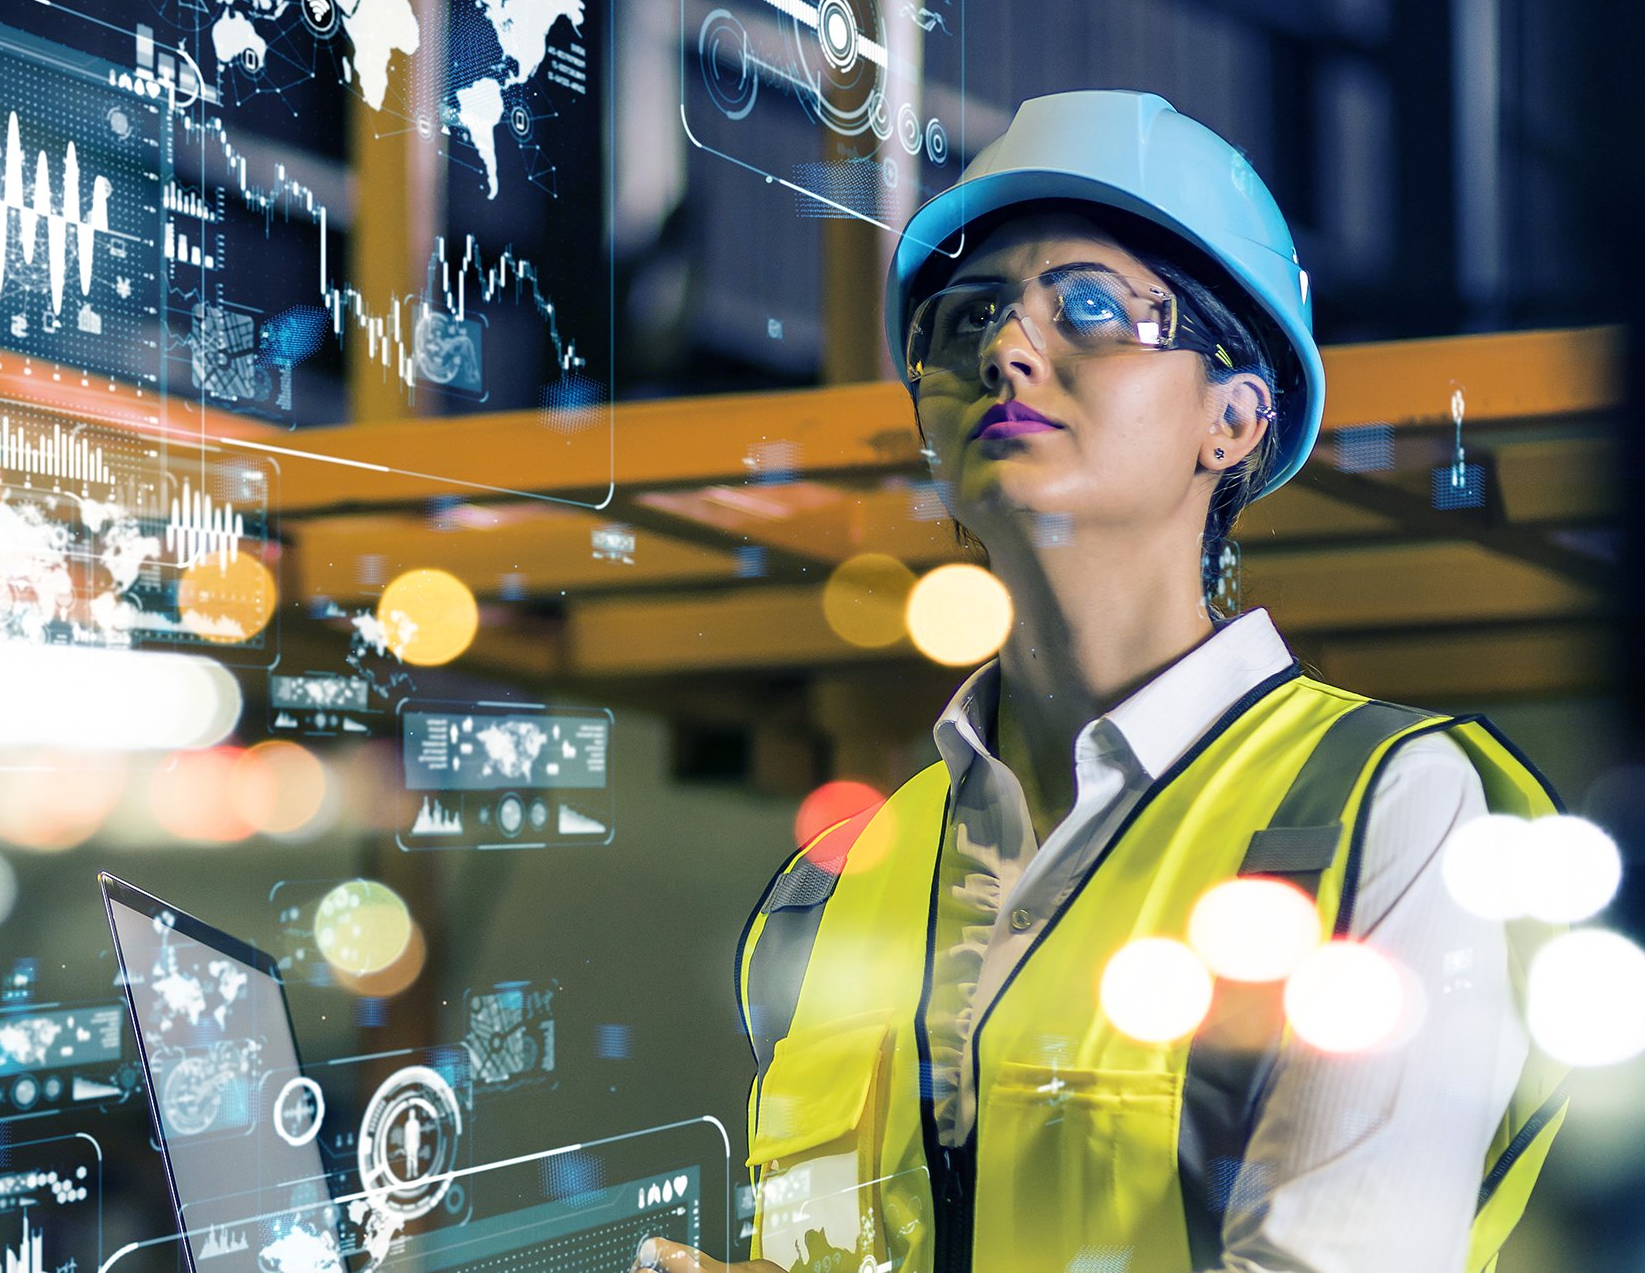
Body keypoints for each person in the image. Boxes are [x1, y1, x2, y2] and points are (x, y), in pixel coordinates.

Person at [632, 91, 1566, 1273]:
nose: (1007, 351)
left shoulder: (1385, 815)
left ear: (1235, 419)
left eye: (1092, 309)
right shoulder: (842, 887)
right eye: (967, 319)